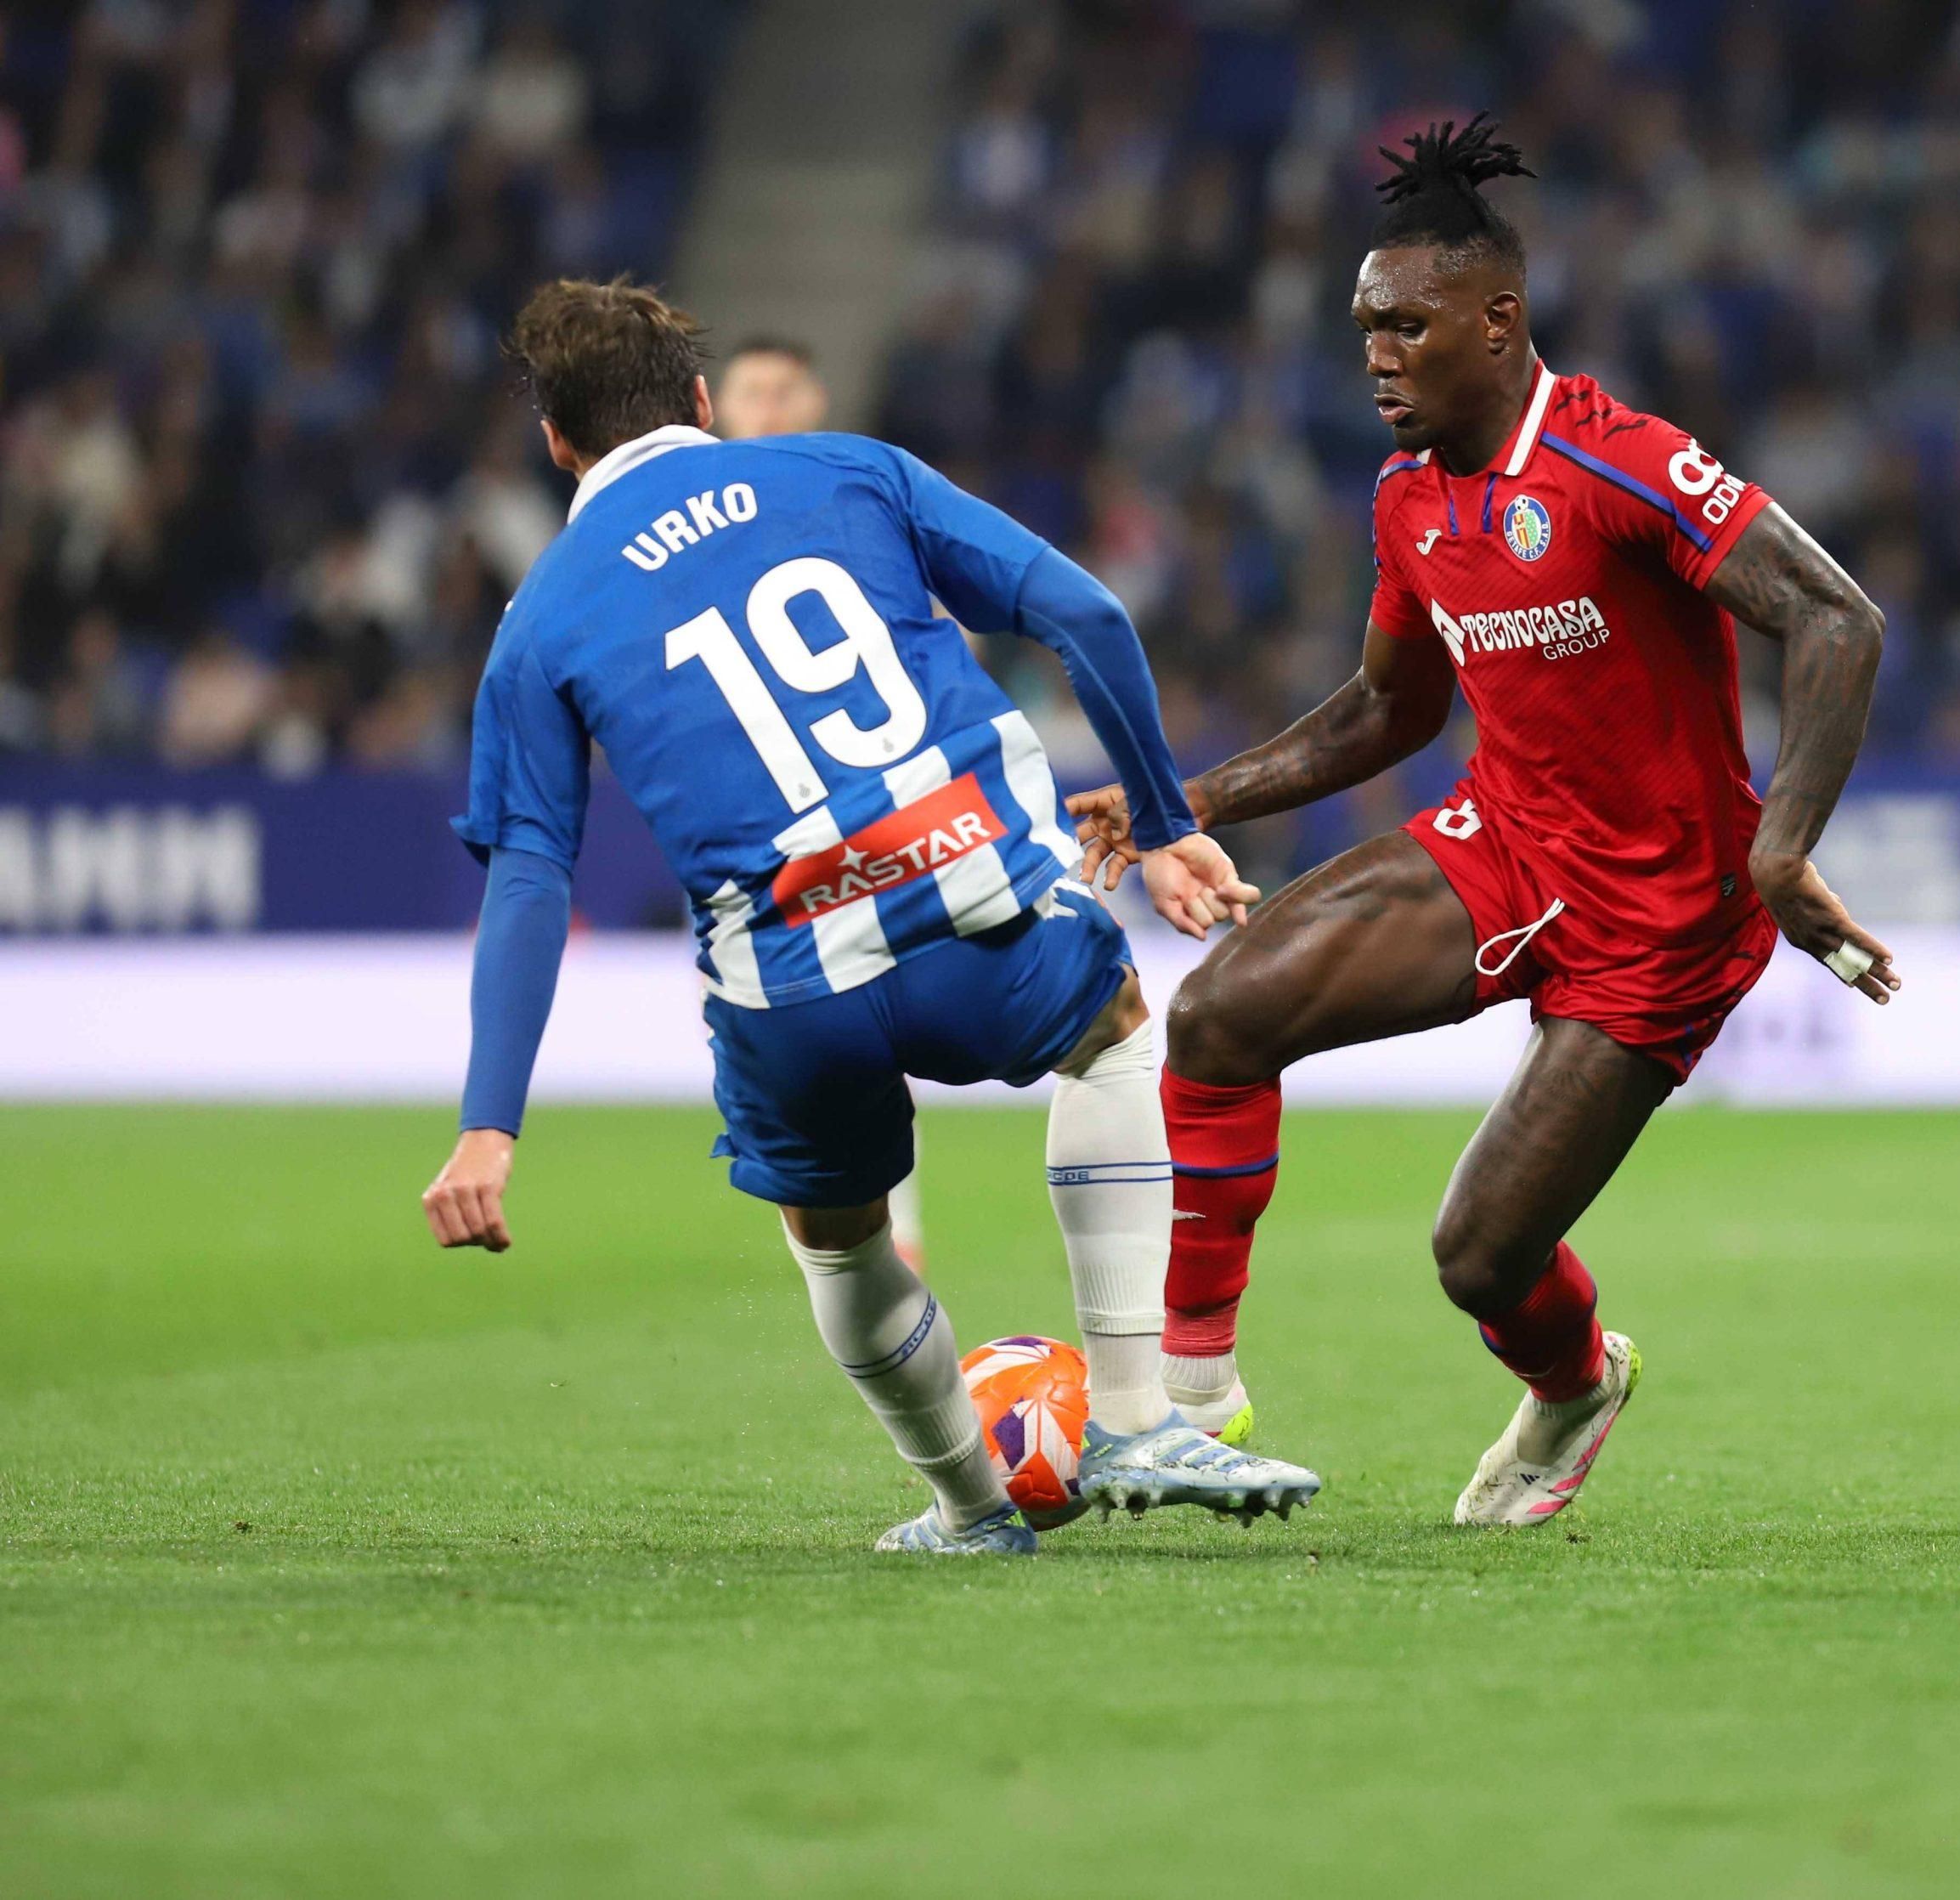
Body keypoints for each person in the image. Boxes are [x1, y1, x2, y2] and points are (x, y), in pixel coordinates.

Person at [1070, 120, 1896, 1526]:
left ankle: (1576, 1383)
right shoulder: (1409, 495)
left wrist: (1779, 849)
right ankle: (1193, 1404)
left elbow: (1838, 618)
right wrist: (1184, 797)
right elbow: (1385, 713)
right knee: (1217, 1016)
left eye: (1406, 325)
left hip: (1664, 912)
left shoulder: (1619, 461)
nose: (1377, 353)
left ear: (1497, 320)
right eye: (1364, 327)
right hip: (1501, 844)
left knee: (1479, 1258)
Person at [421, 277, 1319, 1553]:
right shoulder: (848, 472)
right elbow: (1087, 614)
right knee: (1118, 1028)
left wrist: (487, 1130)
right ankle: (1132, 1412)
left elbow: (527, 875)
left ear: (557, 443)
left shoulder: (540, 619)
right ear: (697, 400)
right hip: (975, 915)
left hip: (792, 992)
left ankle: (968, 1509)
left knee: (838, 1247)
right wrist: (1168, 826)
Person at [714, 335, 929, 1277]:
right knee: (800, 1043)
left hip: (885, 808)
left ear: (818, 402)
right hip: (752, 830)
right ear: (713, 409)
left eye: (784, 388)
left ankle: (885, 1242)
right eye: (750, 390)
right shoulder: (684, 539)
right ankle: (843, 1242)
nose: (767, 405)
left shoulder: (866, 501)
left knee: (881, 1014)